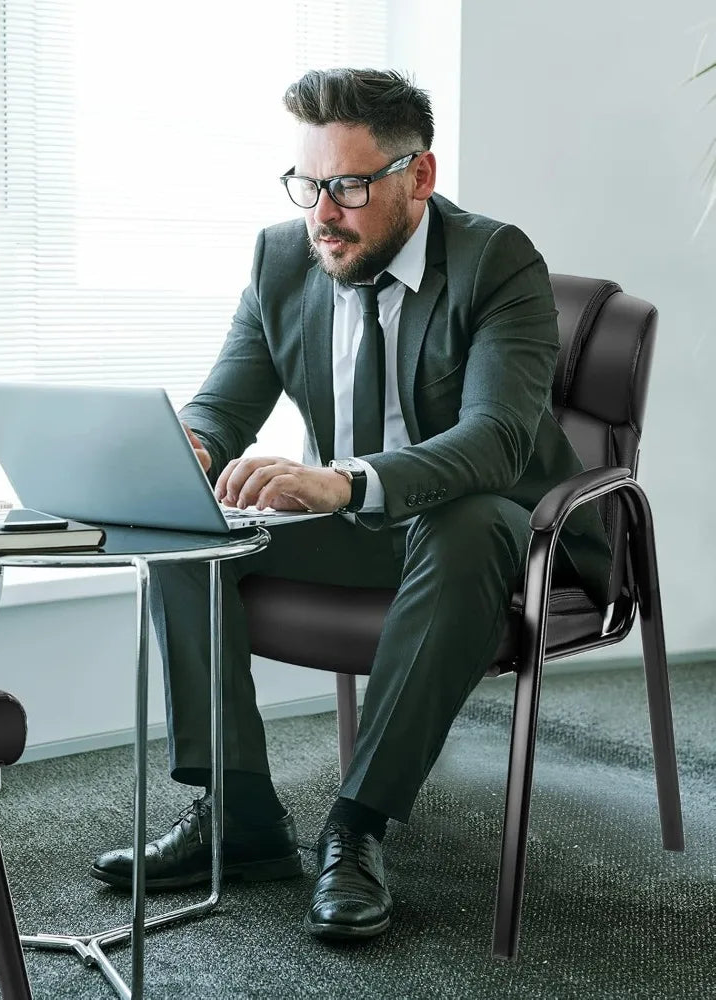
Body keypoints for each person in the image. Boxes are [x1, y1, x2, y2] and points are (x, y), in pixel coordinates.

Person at [90, 68, 613, 941]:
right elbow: (225, 403)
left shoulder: (497, 262)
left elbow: (497, 442)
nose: (322, 212)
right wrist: (190, 448)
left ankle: (357, 826)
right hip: (362, 528)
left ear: (420, 177)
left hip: (507, 535)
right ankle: (241, 819)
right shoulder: (283, 256)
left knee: (467, 519)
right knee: (181, 529)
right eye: (308, 183)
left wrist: (346, 479)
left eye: (350, 186)